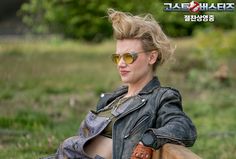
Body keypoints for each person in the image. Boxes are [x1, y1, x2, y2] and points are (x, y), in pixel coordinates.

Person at [48, 8, 197, 159]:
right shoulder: (113, 98)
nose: (120, 64)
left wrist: (149, 139)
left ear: (151, 57)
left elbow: (183, 127)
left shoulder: (160, 97)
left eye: (128, 57)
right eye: (117, 57)